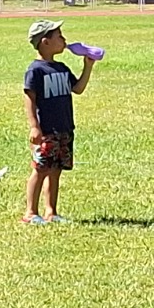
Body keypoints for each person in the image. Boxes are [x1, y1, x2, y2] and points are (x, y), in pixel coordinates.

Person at [22, 20, 95, 225]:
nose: (64, 40)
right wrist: (34, 126)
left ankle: (51, 212)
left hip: (64, 128)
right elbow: (29, 98)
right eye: (59, 36)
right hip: (46, 130)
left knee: (56, 170)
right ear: (45, 42)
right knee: (40, 169)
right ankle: (30, 212)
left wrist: (88, 66)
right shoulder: (35, 70)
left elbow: (77, 88)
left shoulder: (61, 68)